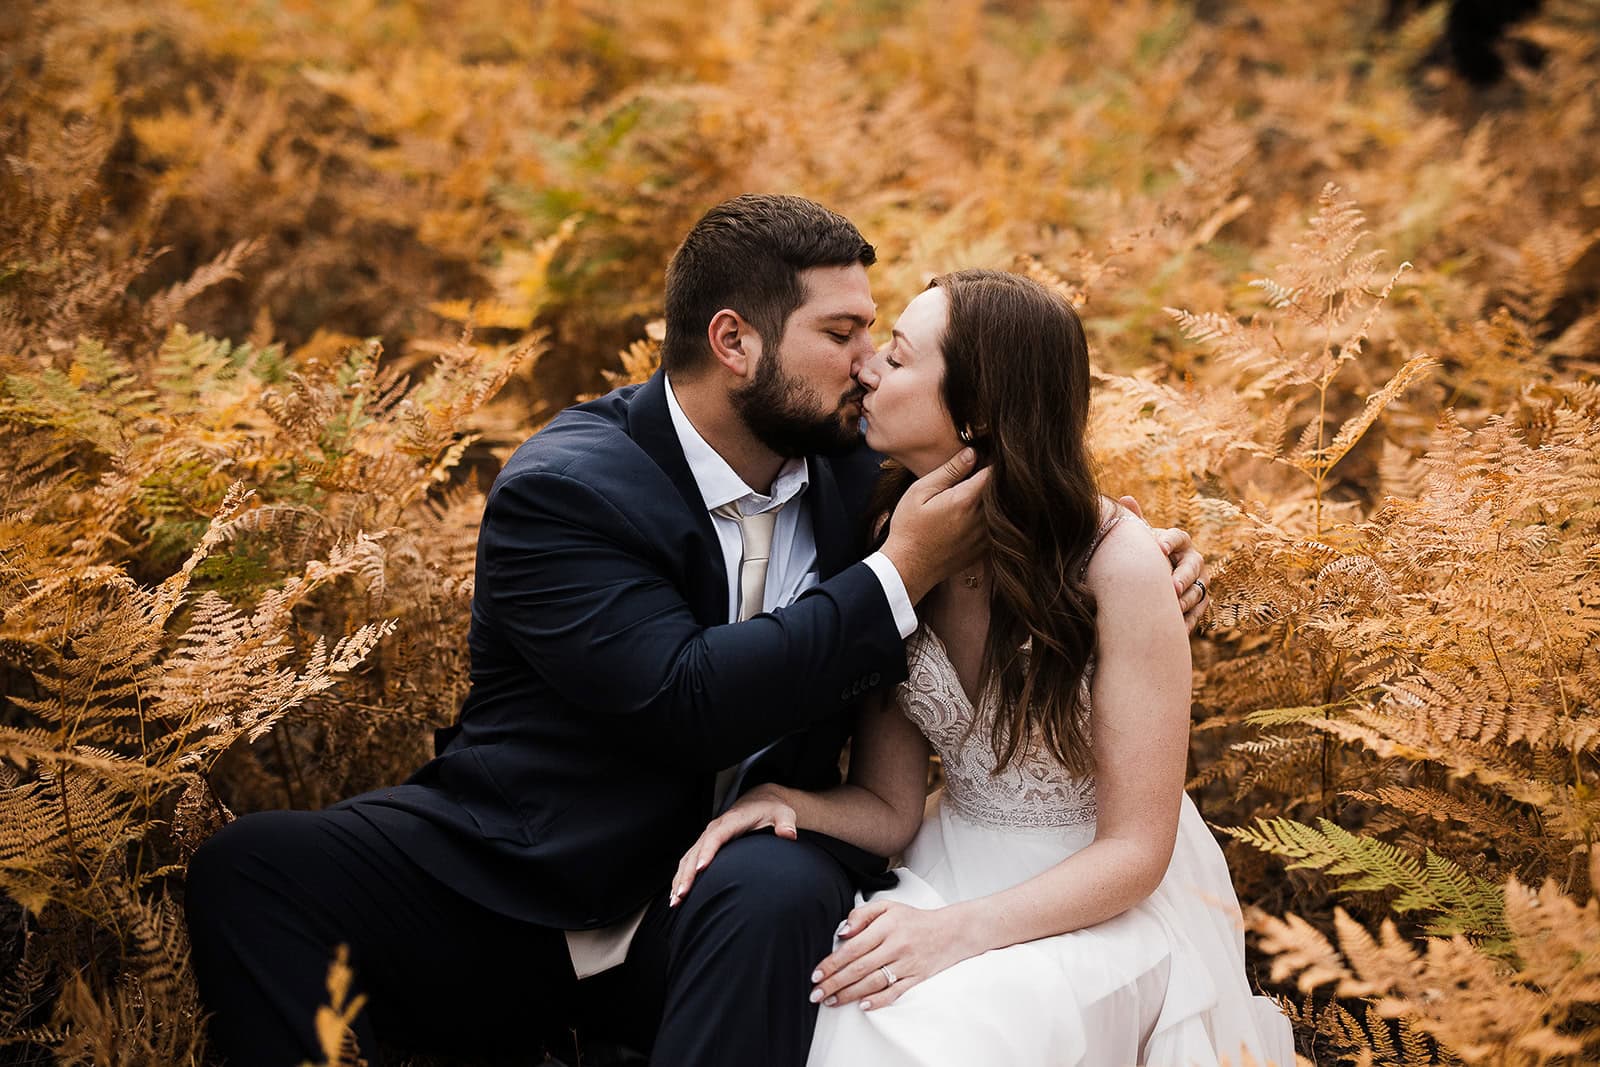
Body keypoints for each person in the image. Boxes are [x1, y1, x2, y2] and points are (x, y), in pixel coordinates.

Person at [183, 198, 1208, 1067]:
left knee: (774, 890)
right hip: (536, 864)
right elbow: (687, 702)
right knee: (258, 866)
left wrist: (1136, 568)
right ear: (735, 342)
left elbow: (1020, 480)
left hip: (736, 891)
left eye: (880, 343)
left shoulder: (867, 473)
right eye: (844, 335)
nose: (864, 368)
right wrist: (899, 573)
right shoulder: (570, 487)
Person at [672, 270, 1294, 1066]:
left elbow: (1137, 851)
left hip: (1104, 899)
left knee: (958, 1032)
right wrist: (778, 798)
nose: (867, 369)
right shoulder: (896, 543)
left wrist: (954, 934)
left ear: (980, 410)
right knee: (846, 1003)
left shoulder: (1117, 566)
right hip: (946, 866)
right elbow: (893, 806)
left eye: (896, 359)